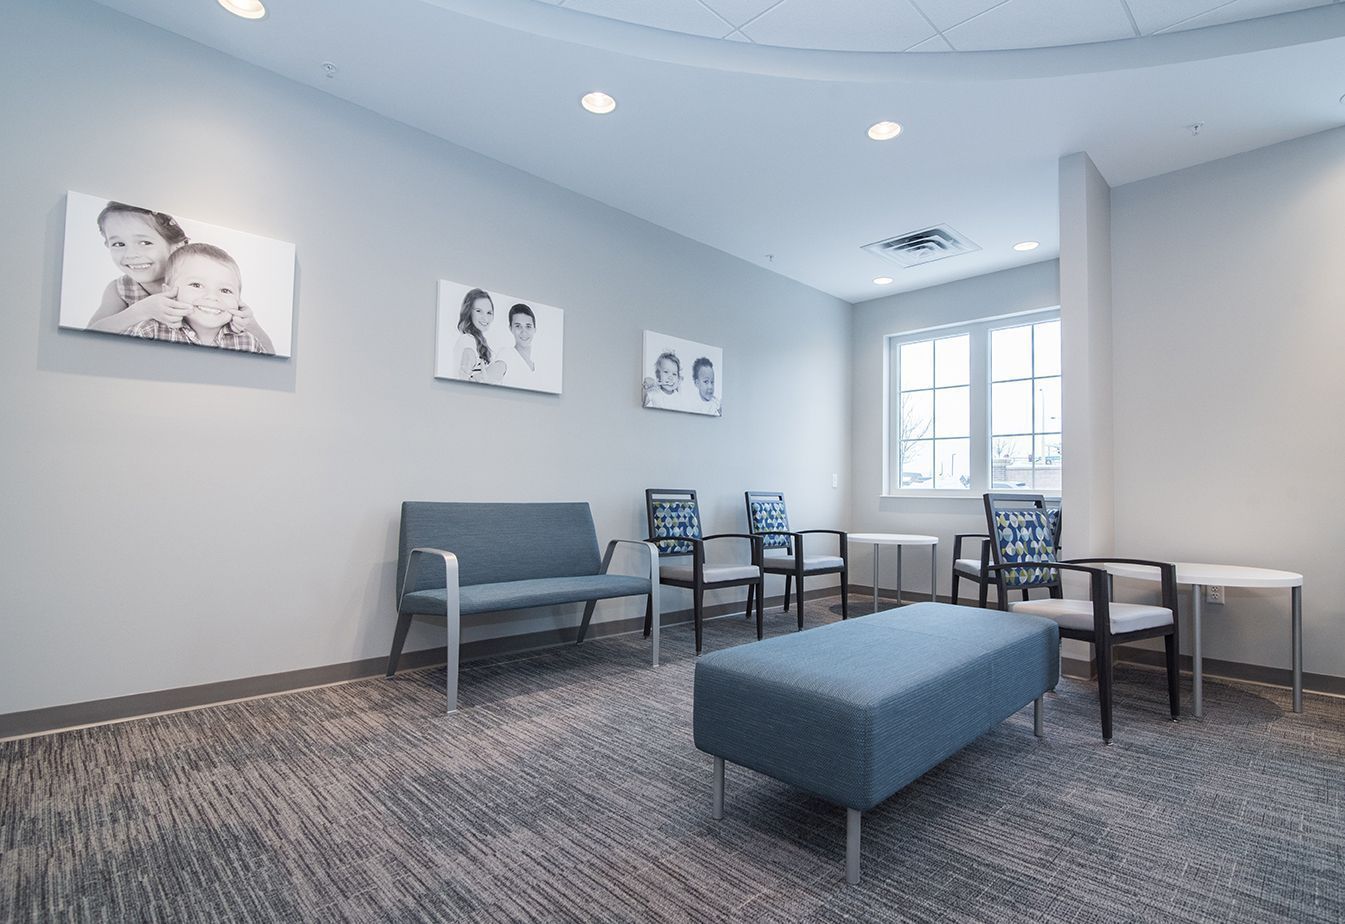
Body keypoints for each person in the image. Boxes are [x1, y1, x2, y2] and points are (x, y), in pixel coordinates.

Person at [86, 201, 274, 351]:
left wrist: (249, 323)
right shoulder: (122, 289)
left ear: (177, 246)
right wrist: (142, 310)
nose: (131, 254)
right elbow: (90, 336)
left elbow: (268, 351)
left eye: (145, 242)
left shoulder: (205, 281)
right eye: (119, 244)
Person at [123, 243, 271, 353]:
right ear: (169, 293)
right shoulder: (149, 332)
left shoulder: (248, 342)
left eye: (225, 290)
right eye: (196, 285)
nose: (212, 297)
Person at [453, 288, 506, 384]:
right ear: (469, 312)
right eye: (478, 311)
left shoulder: (479, 341)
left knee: (501, 365)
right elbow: (468, 358)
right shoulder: (467, 340)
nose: (485, 317)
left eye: (489, 313)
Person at [504, 303, 539, 388]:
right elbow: (496, 371)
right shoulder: (506, 354)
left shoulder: (541, 363)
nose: (524, 332)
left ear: (535, 329)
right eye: (518, 326)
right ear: (511, 328)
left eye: (528, 326)